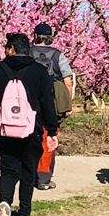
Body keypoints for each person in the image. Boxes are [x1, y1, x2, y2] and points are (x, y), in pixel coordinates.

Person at [0, 31, 59, 216]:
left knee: (8, 170)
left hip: (5, 130)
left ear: (11, 49)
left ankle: (5, 204)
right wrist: (51, 129)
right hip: (31, 130)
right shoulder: (39, 71)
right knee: (28, 172)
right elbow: (47, 103)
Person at [29, 23, 77, 190]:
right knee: (49, 136)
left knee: (29, 137)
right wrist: (67, 103)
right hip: (52, 102)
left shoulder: (27, 52)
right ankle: (44, 177)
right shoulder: (58, 55)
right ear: (50, 36)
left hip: (29, 100)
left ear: (35, 35)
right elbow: (68, 81)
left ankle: (29, 174)